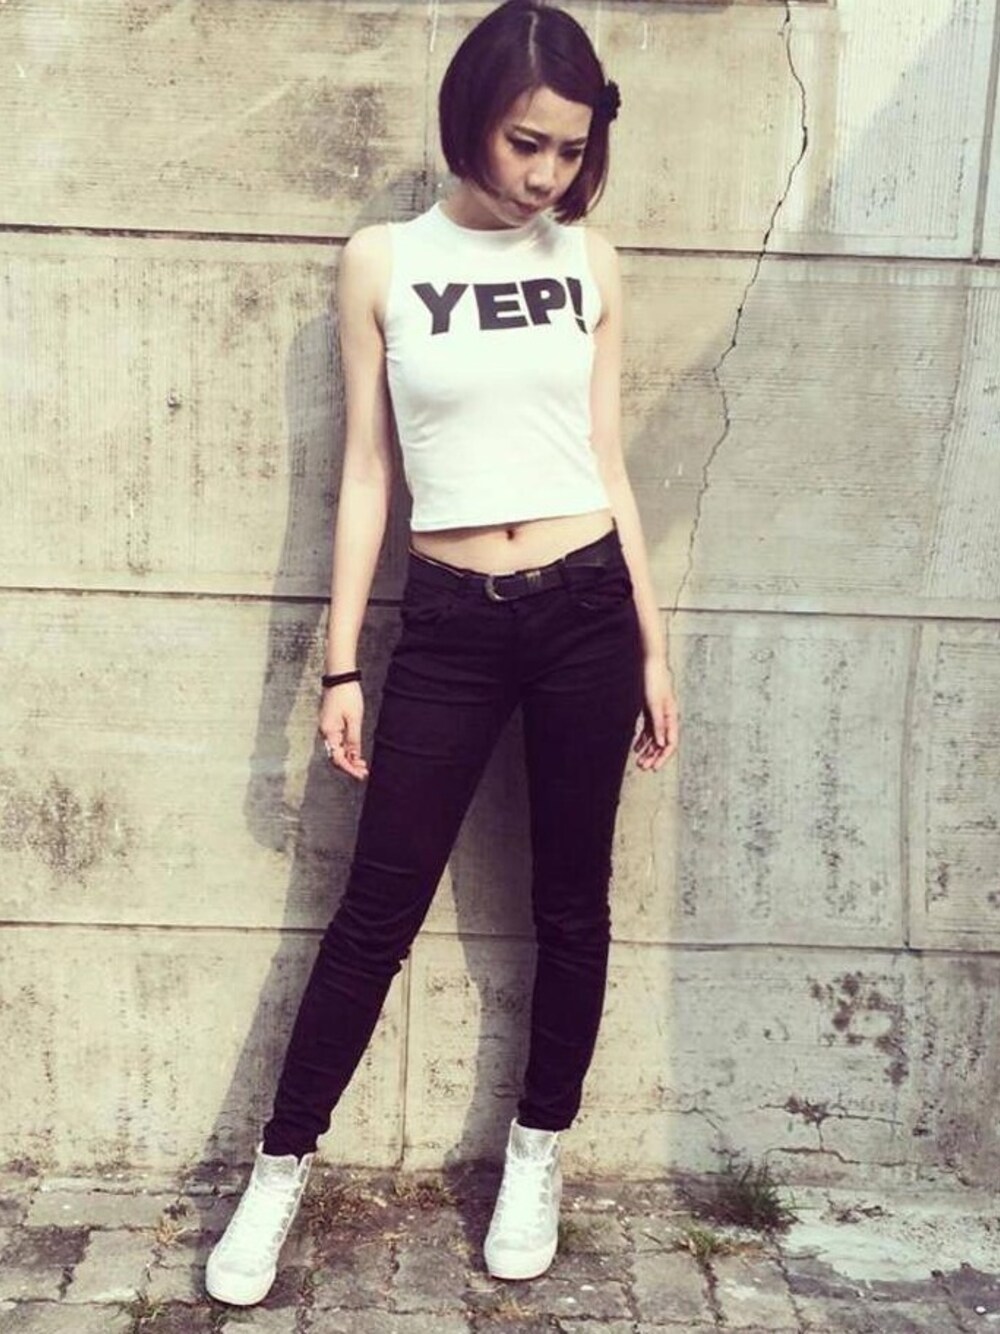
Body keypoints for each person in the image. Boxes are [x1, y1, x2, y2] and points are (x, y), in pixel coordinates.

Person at [205, 0, 678, 1307]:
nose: (548, 175)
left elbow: (608, 463)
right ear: (470, 119)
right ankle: (279, 1169)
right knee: (376, 912)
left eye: (571, 151)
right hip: (454, 625)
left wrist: (651, 643)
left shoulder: (591, 262)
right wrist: (341, 661)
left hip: (587, 608)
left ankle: (538, 1152)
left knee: (571, 904)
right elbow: (368, 472)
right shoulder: (384, 260)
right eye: (528, 144)